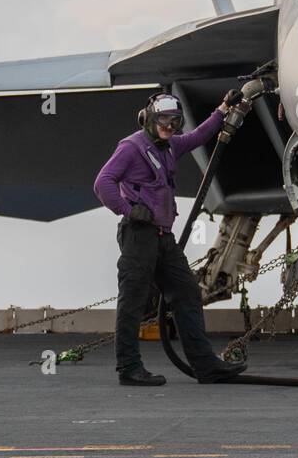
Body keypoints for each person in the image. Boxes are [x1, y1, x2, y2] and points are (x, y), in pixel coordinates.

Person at [93, 91, 248, 386]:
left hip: (164, 237)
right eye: (163, 119)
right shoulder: (131, 147)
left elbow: (199, 136)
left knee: (187, 293)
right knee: (133, 302)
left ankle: (206, 367)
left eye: (175, 121)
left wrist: (225, 107)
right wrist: (127, 209)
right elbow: (103, 182)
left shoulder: (169, 146)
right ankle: (129, 369)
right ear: (149, 118)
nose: (169, 126)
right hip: (138, 236)